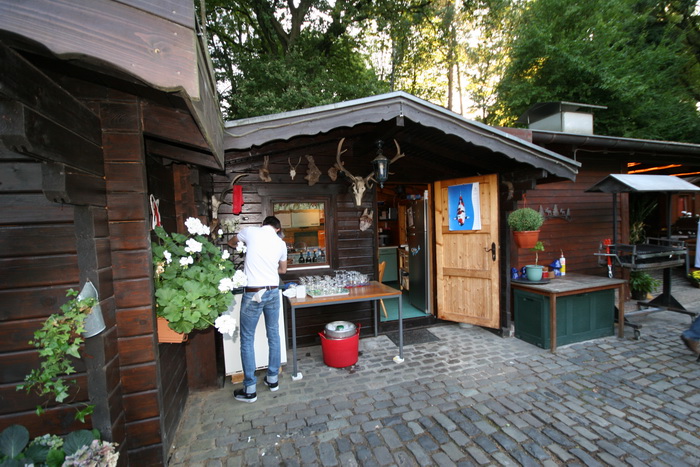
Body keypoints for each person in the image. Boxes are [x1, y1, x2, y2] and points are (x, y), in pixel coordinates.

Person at [233, 216, 287, 403]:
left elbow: (232, 242)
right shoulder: (281, 243)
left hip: (254, 292)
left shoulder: (250, 232)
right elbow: (283, 270)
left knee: (247, 338)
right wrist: (269, 267)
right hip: (273, 291)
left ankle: (250, 389)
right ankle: (272, 379)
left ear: (263, 224)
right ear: (278, 228)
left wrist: (244, 249)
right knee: (273, 334)